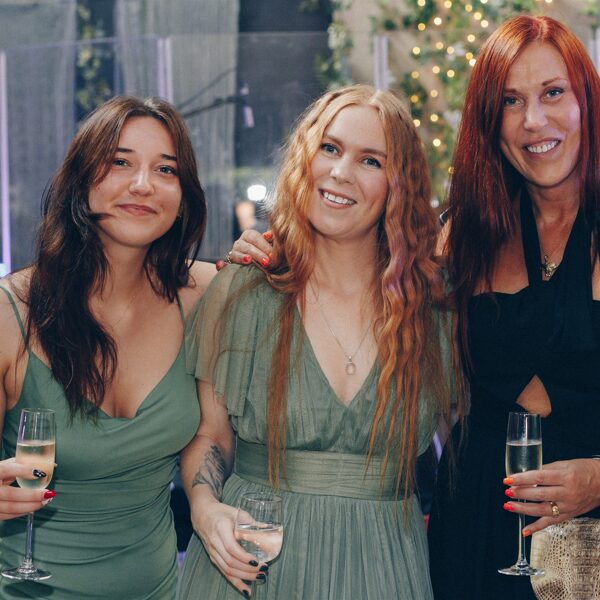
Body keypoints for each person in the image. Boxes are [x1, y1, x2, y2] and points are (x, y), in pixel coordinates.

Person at [177, 84, 459, 599]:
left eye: (371, 160)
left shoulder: (433, 311)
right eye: (329, 148)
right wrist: (205, 508)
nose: (340, 172)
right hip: (253, 566)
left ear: (398, 185)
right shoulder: (245, 289)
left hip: (384, 568)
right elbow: (210, 437)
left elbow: (474, 434)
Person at [0, 96, 216, 599]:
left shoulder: (205, 296)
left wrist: (263, 250)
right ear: (81, 181)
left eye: (166, 169)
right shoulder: (13, 313)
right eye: (120, 162)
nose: (143, 184)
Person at [427, 15, 600, 600]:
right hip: (475, 527)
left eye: (553, 93)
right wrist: (273, 253)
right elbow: (360, 284)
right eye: (510, 101)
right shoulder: (465, 234)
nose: (533, 121)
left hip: (588, 547)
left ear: (586, 101)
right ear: (489, 121)